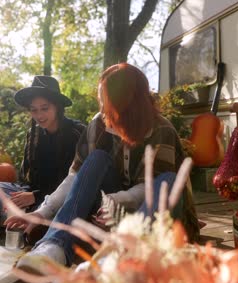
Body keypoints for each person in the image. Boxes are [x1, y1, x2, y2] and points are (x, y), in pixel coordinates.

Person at [6, 64, 199, 270]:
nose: (104, 110)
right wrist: (42, 212)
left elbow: (155, 189)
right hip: (109, 213)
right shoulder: (99, 124)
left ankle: (120, 256)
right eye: (102, 103)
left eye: (109, 104)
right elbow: (75, 177)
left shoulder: (161, 129)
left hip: (152, 213)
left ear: (131, 104)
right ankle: (54, 246)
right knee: (96, 157)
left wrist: (117, 202)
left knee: (168, 180)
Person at [0, 75, 85, 224]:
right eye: (34, 110)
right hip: (32, 194)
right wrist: (21, 196)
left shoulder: (76, 133)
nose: (39, 115)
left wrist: (35, 196)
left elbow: (74, 182)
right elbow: (27, 178)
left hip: (60, 199)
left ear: (57, 107)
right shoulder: (33, 134)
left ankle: (39, 224)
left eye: (44, 108)